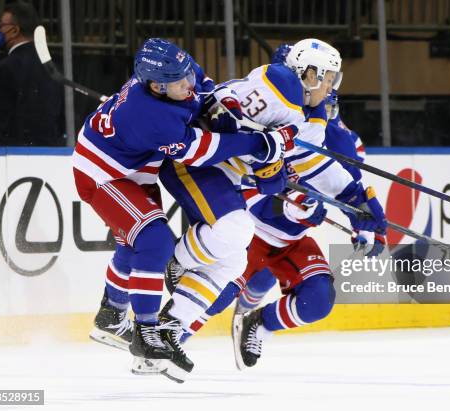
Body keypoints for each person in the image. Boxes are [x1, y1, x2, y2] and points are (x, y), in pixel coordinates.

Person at [73, 37, 294, 383]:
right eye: (180, 82)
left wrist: (223, 111)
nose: (188, 83)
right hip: (103, 173)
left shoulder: (173, 72)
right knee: (155, 242)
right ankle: (145, 335)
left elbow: (204, 88)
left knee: (135, 245)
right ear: (156, 86)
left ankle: (111, 315)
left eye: (186, 72)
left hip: (134, 166)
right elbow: (202, 150)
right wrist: (259, 143)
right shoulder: (150, 116)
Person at [157, 39, 386, 358]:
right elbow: (246, 162)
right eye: (329, 77)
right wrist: (288, 199)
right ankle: (164, 339)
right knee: (220, 293)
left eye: (334, 79)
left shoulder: (318, 121)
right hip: (249, 228)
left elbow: (314, 167)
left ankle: (257, 324)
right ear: (310, 74)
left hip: (288, 239)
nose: (332, 88)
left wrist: (361, 205)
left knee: (318, 299)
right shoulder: (278, 87)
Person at [0, 2, 65, 147]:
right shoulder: (52, 68)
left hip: (11, 157)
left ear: (14, 31)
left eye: (1, 26)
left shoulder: (5, 69)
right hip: (47, 157)